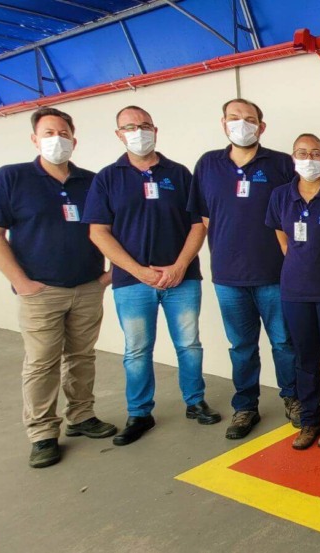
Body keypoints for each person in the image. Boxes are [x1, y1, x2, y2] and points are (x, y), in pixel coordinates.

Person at [0, 107, 117, 468]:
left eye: (63, 133)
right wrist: (21, 283)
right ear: (35, 139)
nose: (57, 139)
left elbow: (114, 228)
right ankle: (42, 433)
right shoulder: (10, 179)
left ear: (74, 138)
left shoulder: (92, 182)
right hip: (40, 291)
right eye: (49, 133)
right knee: (41, 363)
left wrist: (109, 274)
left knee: (82, 357)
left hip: (87, 286)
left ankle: (81, 416)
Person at [84, 106, 219, 447]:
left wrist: (178, 266)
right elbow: (99, 232)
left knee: (189, 344)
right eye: (129, 127)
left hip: (182, 279)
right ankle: (140, 413)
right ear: (118, 134)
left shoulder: (179, 173)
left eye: (144, 125)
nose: (138, 131)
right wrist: (138, 271)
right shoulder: (107, 178)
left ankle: (195, 401)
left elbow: (196, 226)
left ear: (155, 130)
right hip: (133, 283)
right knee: (137, 350)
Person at [188, 98, 298, 440]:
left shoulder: (281, 164)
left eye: (249, 119)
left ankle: (293, 399)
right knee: (241, 346)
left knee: (284, 343)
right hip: (228, 278)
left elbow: (296, 212)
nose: (242, 124)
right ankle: (246, 406)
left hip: (276, 275)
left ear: (261, 127)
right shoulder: (208, 164)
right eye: (234, 118)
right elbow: (203, 218)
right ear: (223, 124)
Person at [266, 133, 320, 450]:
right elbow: (283, 238)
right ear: (293, 157)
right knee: (304, 358)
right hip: (294, 291)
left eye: (315, 152)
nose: (309, 158)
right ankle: (310, 421)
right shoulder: (280, 196)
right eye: (302, 152)